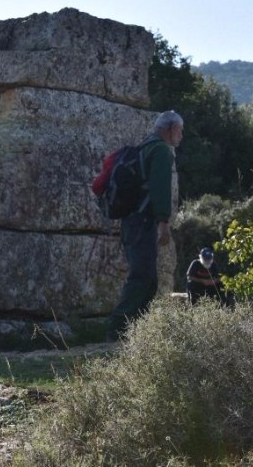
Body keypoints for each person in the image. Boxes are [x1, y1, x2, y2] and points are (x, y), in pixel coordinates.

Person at [106, 110, 183, 341]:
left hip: (132, 222)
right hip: (143, 222)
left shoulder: (145, 146)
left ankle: (134, 333)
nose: (181, 136)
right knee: (142, 278)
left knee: (147, 279)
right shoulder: (160, 151)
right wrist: (163, 222)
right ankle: (118, 331)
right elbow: (160, 188)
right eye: (180, 130)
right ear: (170, 129)